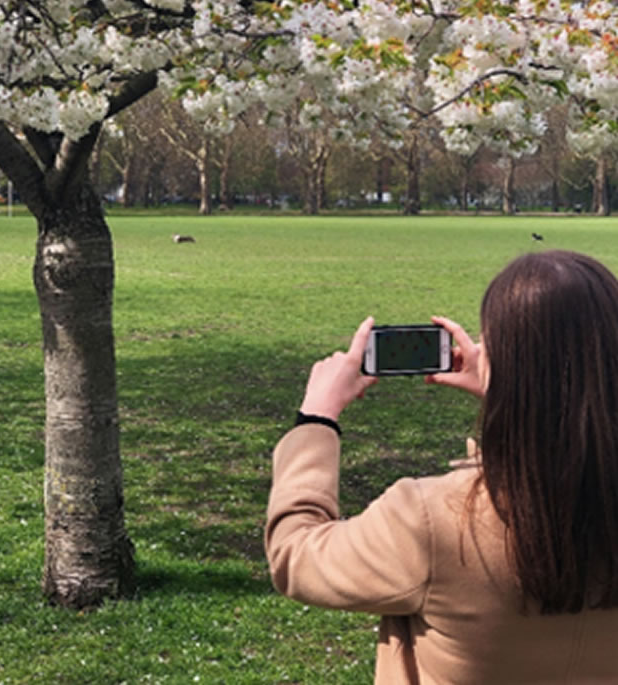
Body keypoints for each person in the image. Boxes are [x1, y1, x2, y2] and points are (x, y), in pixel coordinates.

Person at [264, 250, 618, 684]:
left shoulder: (433, 521)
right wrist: (514, 401)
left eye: (493, 342)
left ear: (509, 369)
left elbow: (295, 555)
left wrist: (316, 419)